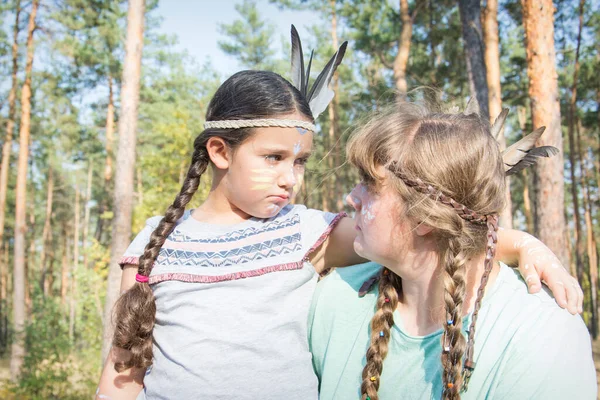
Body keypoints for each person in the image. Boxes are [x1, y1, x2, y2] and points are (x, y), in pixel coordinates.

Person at [97, 28, 582, 399]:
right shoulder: (152, 248)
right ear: (221, 152)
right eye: (273, 159)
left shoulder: (304, 233)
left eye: (300, 161)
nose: (291, 178)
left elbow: (447, 228)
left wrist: (525, 245)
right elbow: (122, 376)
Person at [309, 99, 596, 400]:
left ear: (424, 215)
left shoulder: (541, 336)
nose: (351, 197)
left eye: (370, 184)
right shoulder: (333, 300)